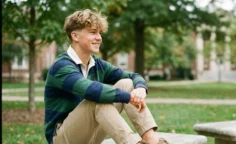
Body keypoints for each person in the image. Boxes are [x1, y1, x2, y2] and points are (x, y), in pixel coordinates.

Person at [44, 9, 168, 144]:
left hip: (91, 135)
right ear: (75, 36)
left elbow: (133, 76)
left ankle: (152, 140)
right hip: (62, 139)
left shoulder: (97, 64)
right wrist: (129, 97)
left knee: (126, 83)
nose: (99, 38)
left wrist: (141, 88)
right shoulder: (61, 66)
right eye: (93, 32)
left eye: (99, 33)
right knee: (96, 99)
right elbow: (91, 90)